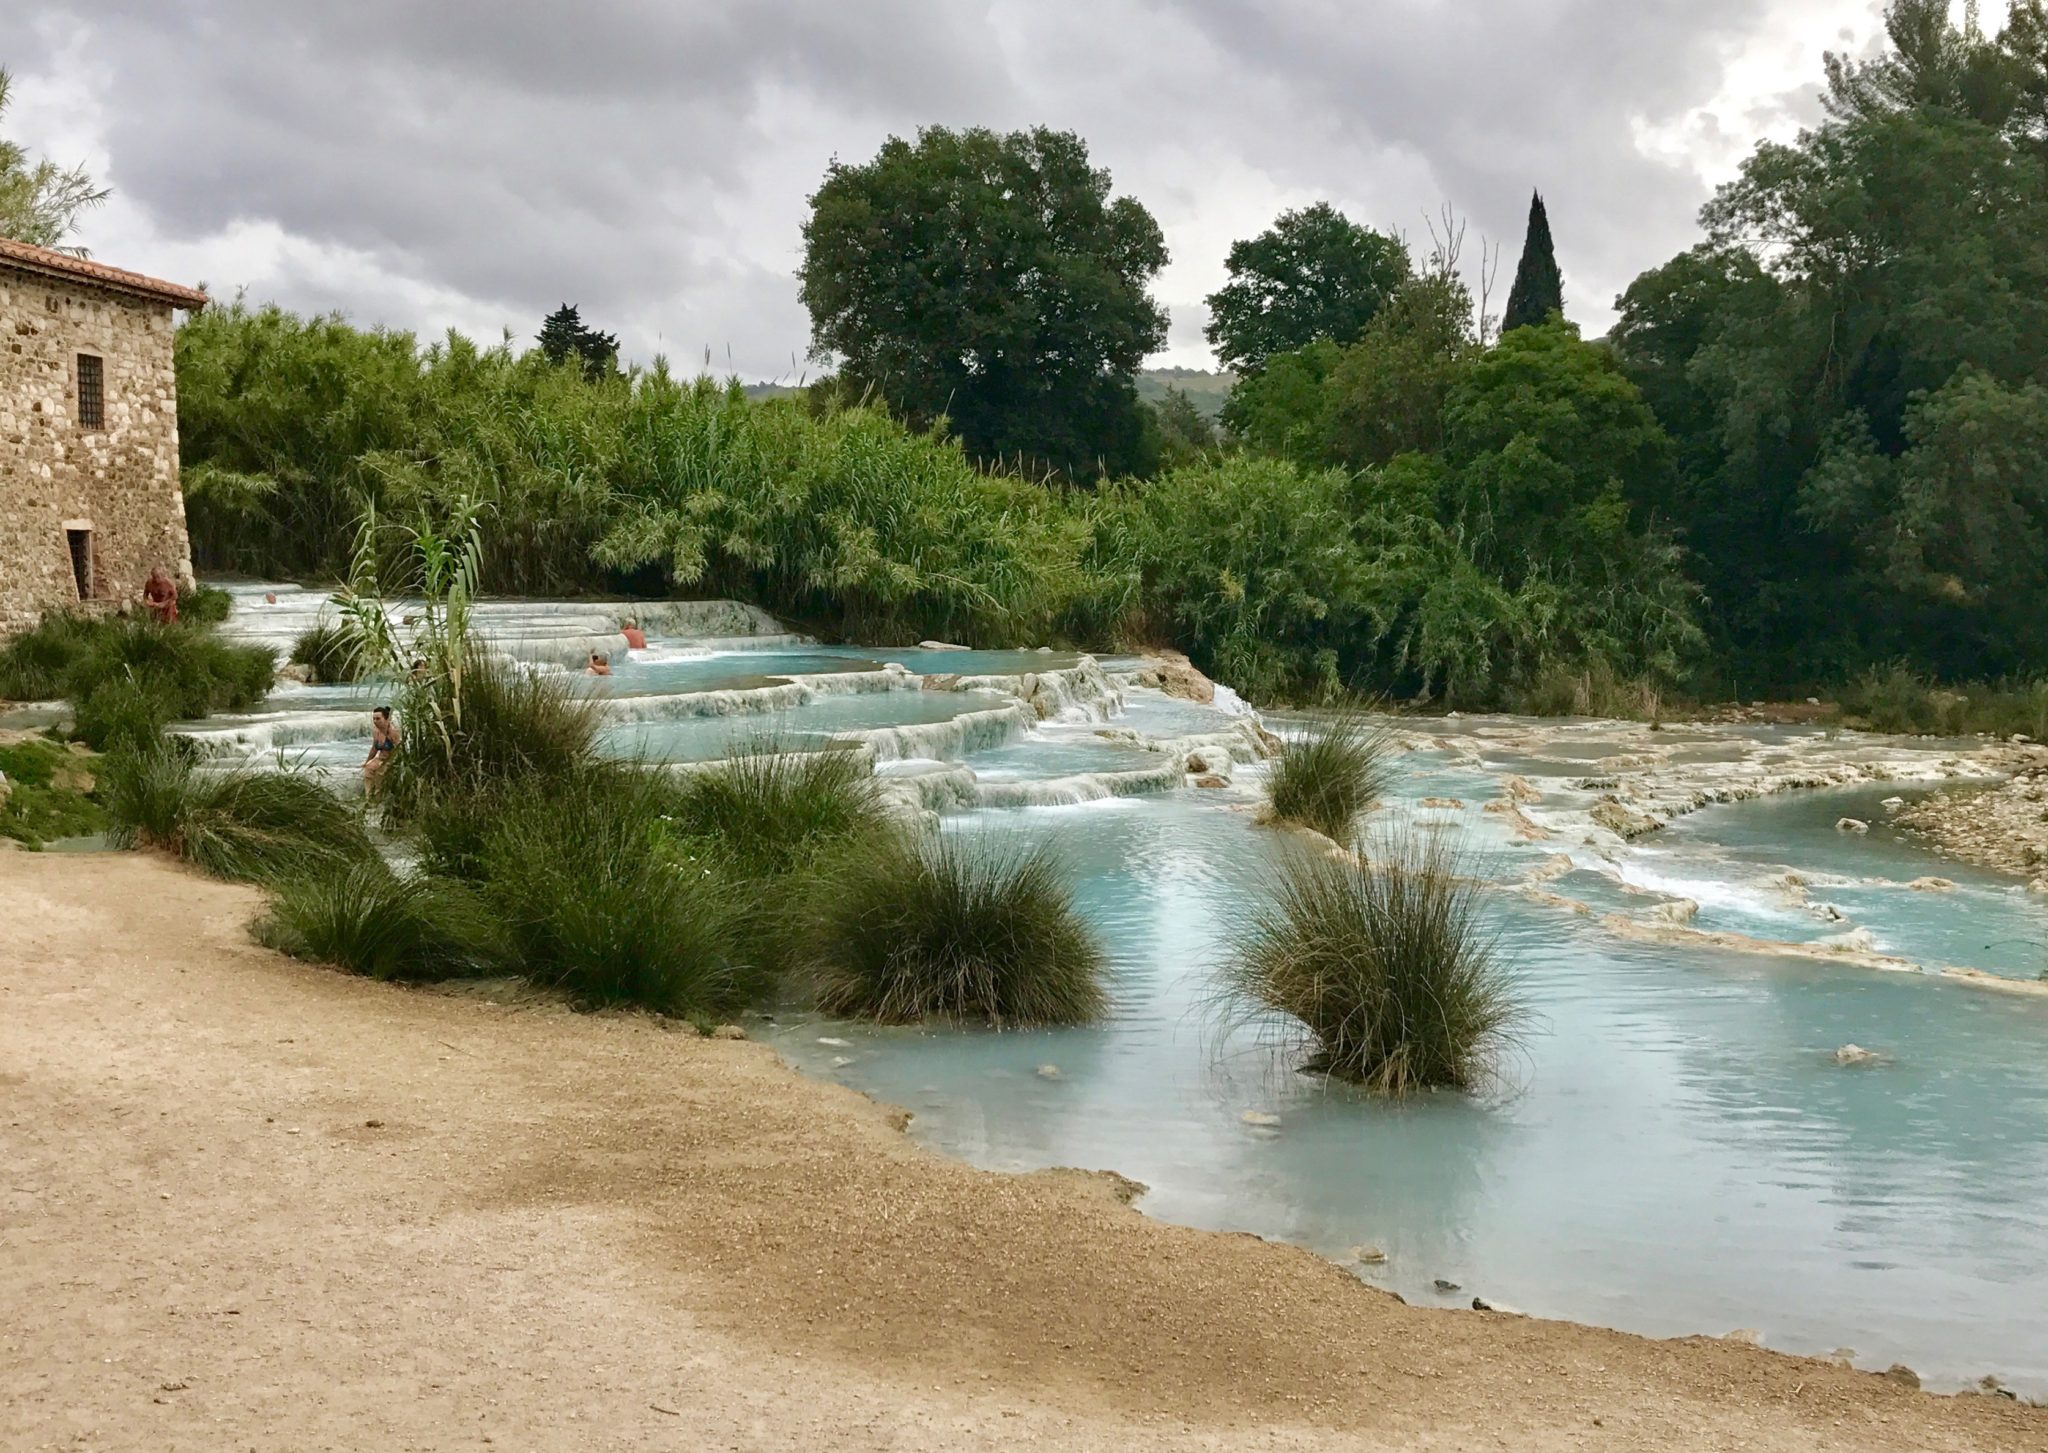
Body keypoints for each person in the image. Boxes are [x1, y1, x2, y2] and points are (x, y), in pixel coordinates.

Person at [362, 706, 400, 791]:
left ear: (386, 719)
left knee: (379, 773)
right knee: (368, 770)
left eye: (378, 719)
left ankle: (378, 797)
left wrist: (389, 762)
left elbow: (399, 750)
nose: (375, 721)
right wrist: (367, 762)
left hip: (392, 760)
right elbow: (374, 749)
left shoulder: (393, 733)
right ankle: (368, 797)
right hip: (380, 759)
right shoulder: (376, 732)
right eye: (374, 719)